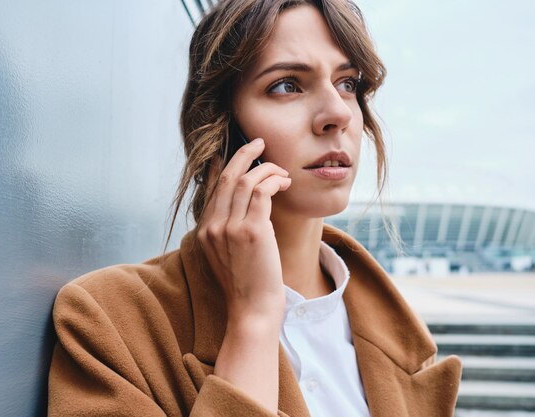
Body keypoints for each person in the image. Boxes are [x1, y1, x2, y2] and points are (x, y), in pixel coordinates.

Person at [47, 0, 462, 416]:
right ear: (219, 129)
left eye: (348, 83)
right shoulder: (109, 323)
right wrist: (253, 321)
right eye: (287, 85)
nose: (337, 113)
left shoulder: (403, 342)